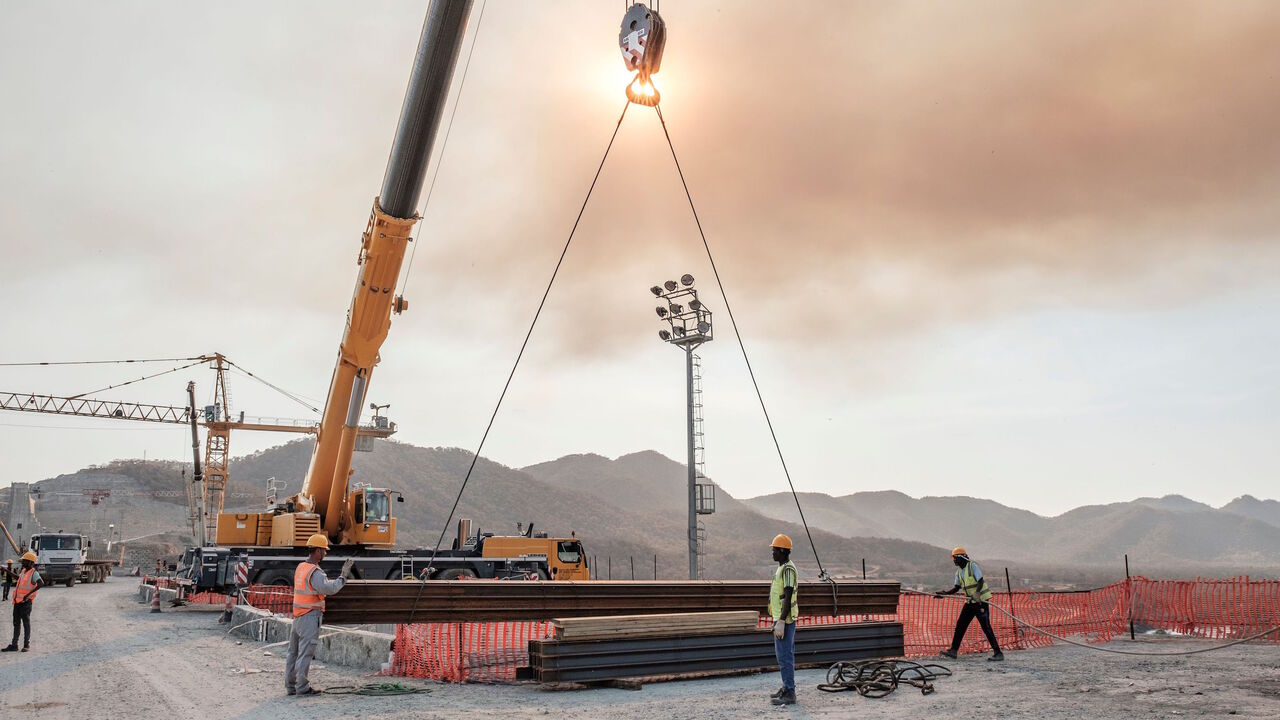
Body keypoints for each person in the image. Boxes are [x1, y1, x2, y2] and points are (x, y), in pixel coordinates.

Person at [285, 534, 352, 696]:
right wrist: (343, 577)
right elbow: (328, 589)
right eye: (324, 550)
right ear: (318, 551)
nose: (325, 553)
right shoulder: (315, 572)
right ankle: (302, 688)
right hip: (309, 617)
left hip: (298, 616)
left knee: (293, 653)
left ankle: (291, 686)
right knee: (305, 653)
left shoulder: (301, 567)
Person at [935, 547, 1003, 661]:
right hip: (970, 602)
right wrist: (945, 593)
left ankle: (998, 653)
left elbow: (980, 581)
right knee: (960, 625)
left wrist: (977, 593)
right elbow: (957, 588)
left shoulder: (973, 566)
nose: (954, 561)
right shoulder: (959, 573)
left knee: (986, 627)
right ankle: (953, 651)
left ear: (960, 557)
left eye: (955, 558)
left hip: (980, 601)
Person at [768, 533, 799, 706]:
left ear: (781, 551)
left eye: (774, 550)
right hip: (780, 618)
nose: (772, 553)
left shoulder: (787, 569)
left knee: (785, 656)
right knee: (783, 656)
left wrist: (780, 621)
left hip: (785, 620)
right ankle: (786, 687)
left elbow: (787, 597)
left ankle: (789, 692)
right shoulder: (782, 568)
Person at [3, 551, 43, 652]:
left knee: (26, 623)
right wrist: (6, 571)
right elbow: (18, 578)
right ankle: (14, 645)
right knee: (16, 623)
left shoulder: (34, 573)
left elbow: (40, 583)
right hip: (17, 602)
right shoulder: (23, 571)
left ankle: (26, 645)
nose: (22, 563)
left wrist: (28, 594)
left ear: (30, 563)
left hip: (26, 602)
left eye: (24, 561)